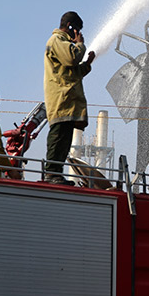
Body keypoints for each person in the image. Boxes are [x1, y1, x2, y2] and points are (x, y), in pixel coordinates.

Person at [44, 11, 95, 184]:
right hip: (61, 99)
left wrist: (87, 64)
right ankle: (51, 173)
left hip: (68, 100)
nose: (78, 35)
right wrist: (80, 45)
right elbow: (72, 58)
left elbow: (72, 72)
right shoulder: (57, 41)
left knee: (65, 139)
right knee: (58, 137)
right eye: (77, 30)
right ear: (71, 27)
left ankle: (56, 173)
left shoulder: (64, 44)